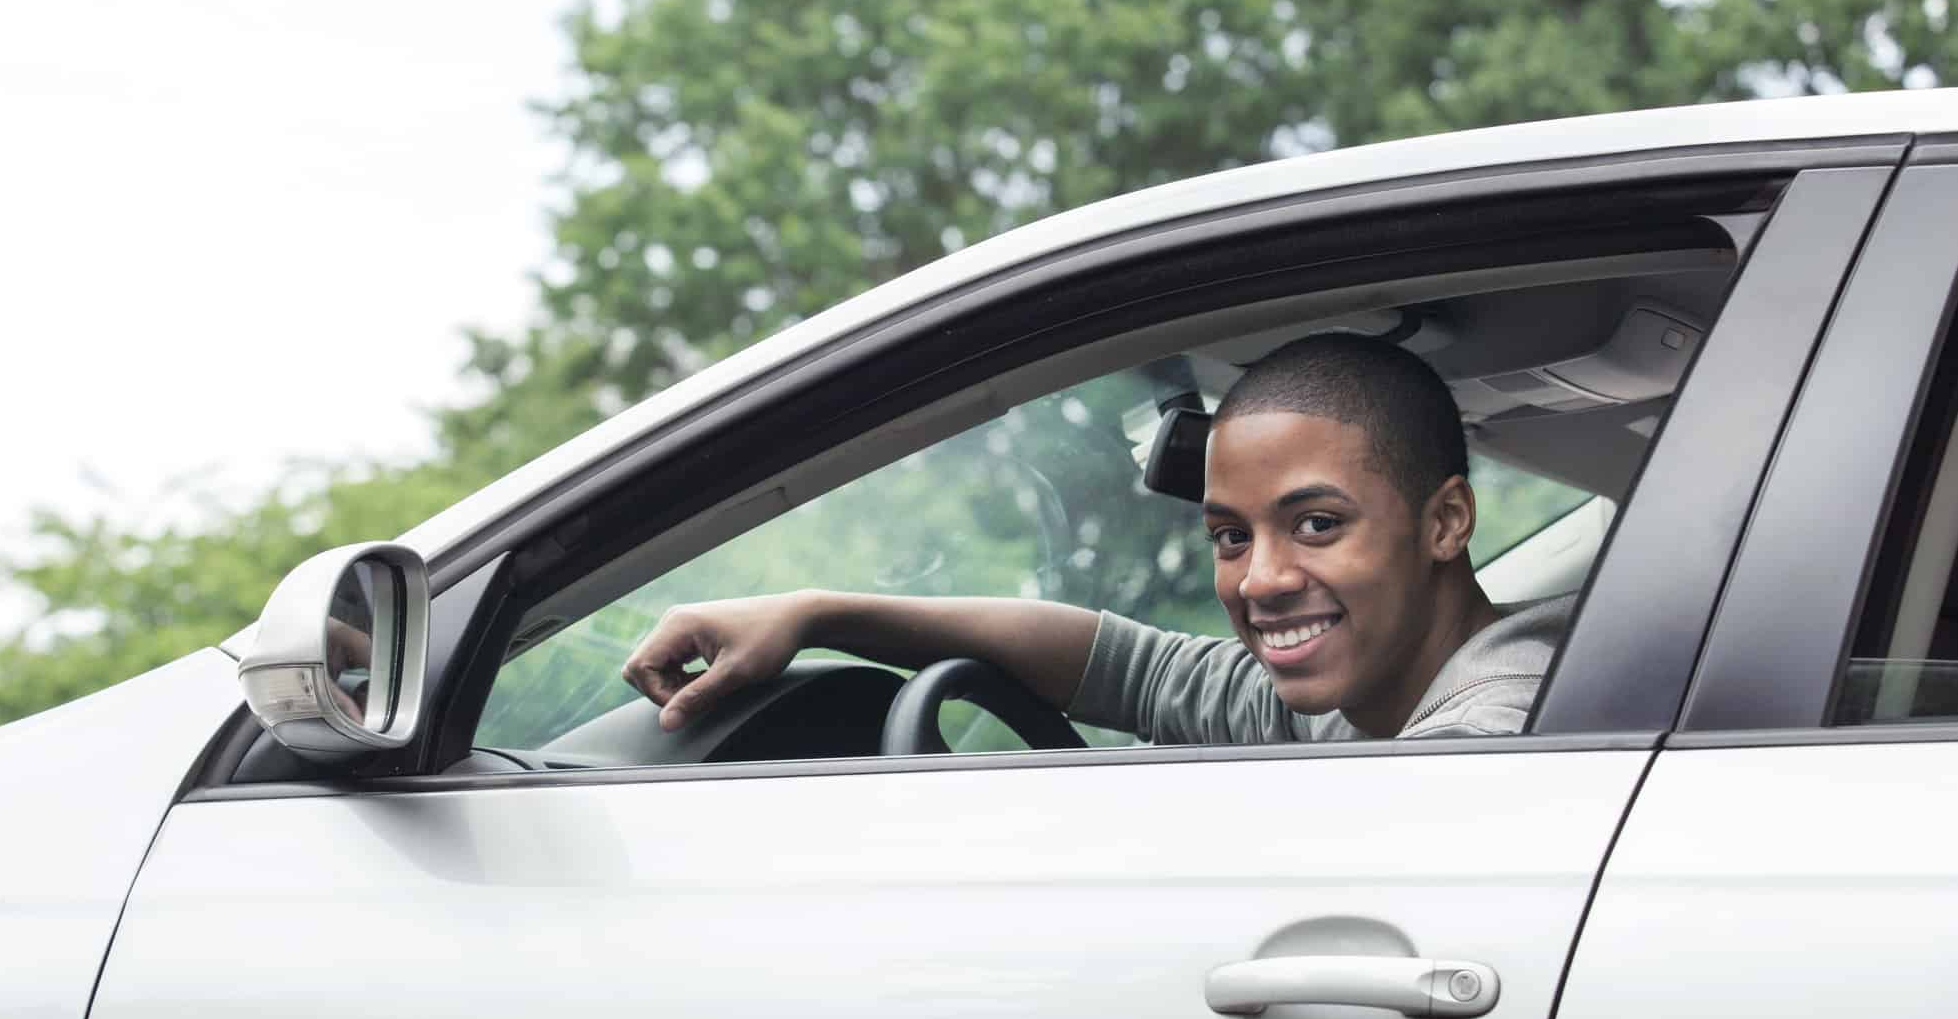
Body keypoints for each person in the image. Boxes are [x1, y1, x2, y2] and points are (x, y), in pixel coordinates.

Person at [621, 332, 1572, 743]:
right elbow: (1126, 666)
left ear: (1445, 522)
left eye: (1316, 525)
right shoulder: (1361, 686)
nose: (1262, 579)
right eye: (1230, 537)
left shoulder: (1502, 720)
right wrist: (814, 610)